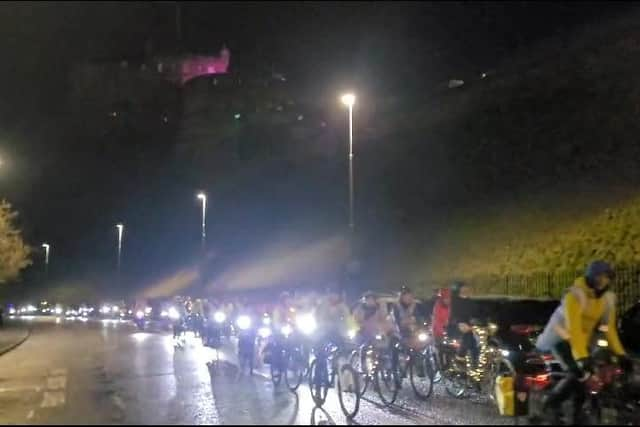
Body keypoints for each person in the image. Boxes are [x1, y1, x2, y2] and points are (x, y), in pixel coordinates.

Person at [536, 261, 631, 424]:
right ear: (590, 277)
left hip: (578, 341)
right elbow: (574, 329)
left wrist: (621, 354)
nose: (602, 281)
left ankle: (577, 415)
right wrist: (581, 358)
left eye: (606, 277)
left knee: (587, 379)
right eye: (598, 277)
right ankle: (550, 404)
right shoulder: (575, 295)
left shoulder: (607, 299)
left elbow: (609, 329)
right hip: (559, 338)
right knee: (578, 372)